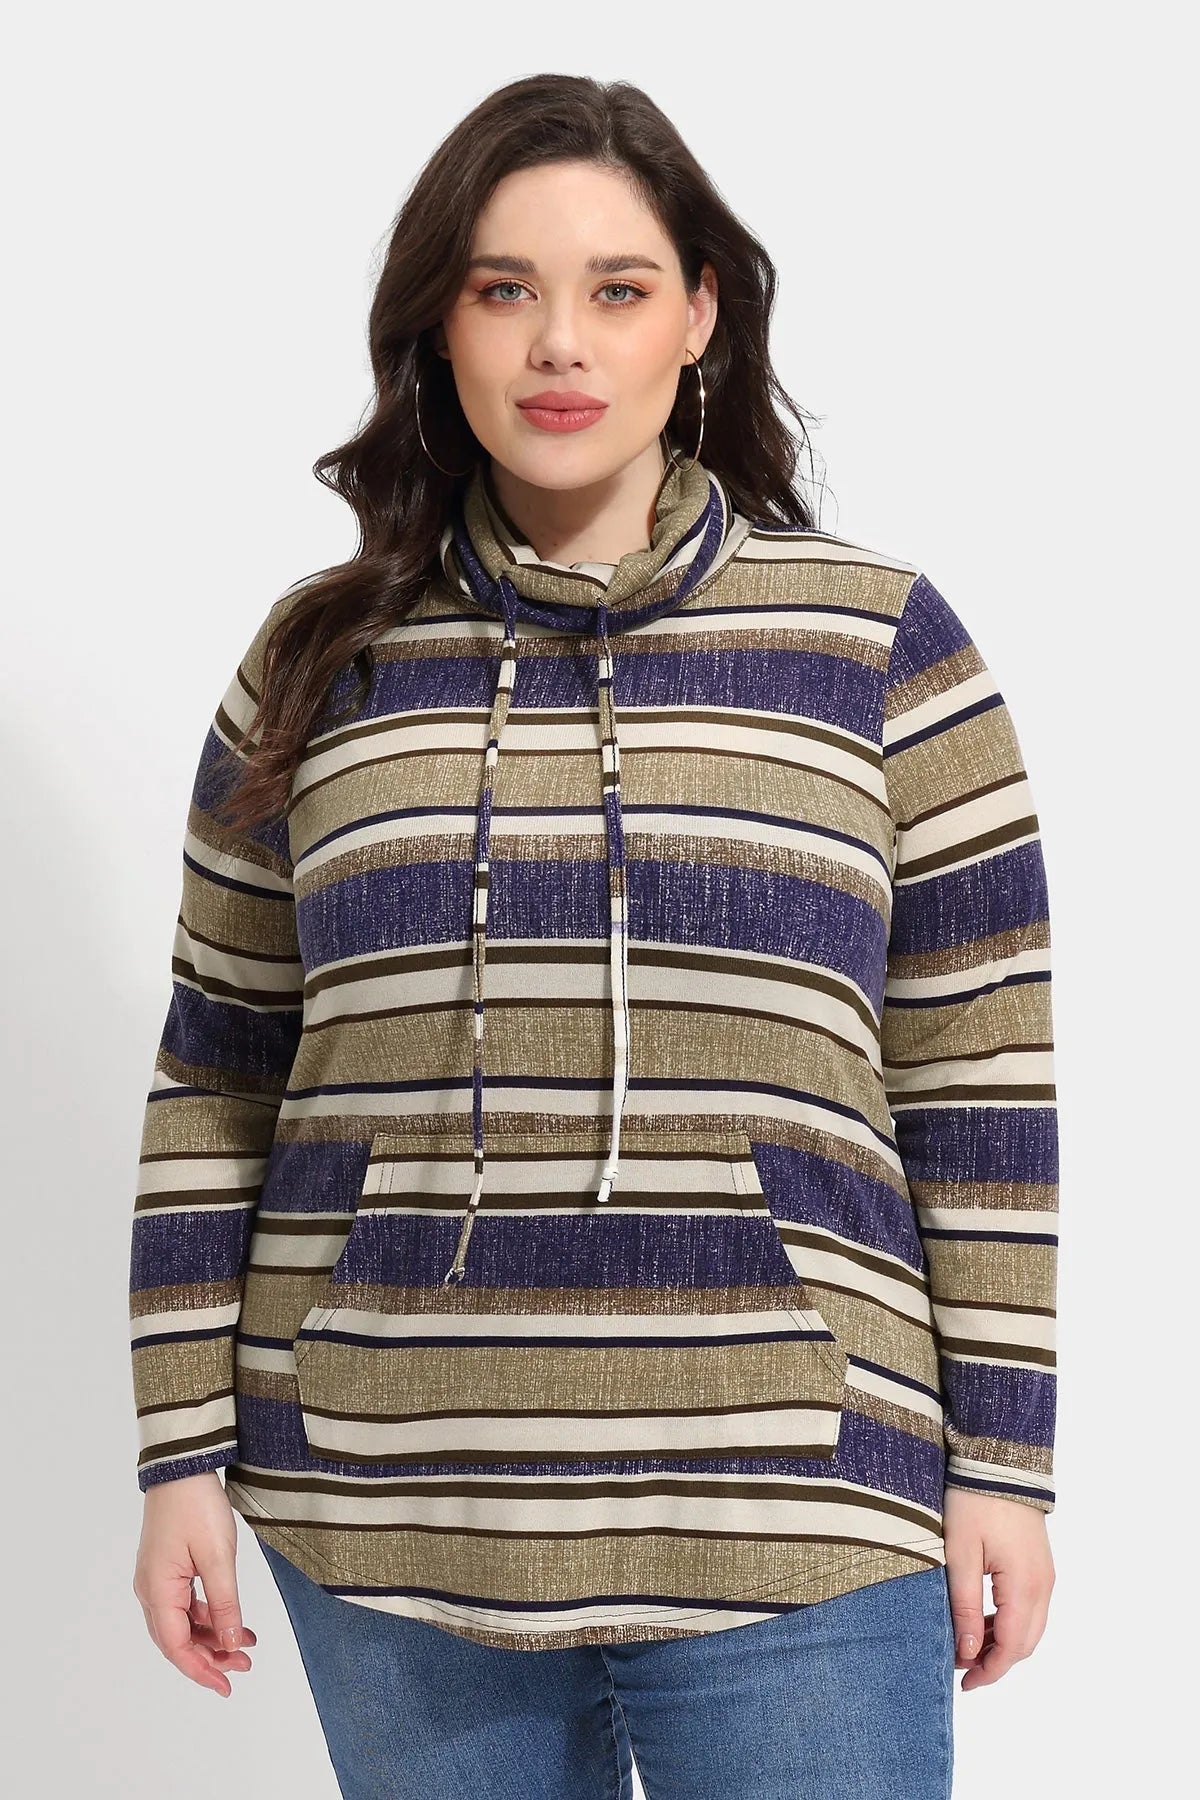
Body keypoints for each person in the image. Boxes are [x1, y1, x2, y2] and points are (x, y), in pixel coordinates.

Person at [129, 73, 1057, 1800]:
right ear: (440, 326)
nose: (559, 341)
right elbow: (219, 1077)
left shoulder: (877, 649)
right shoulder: (318, 667)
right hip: (392, 1509)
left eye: (617, 289)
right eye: (505, 289)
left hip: (798, 1508)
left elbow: (980, 1083)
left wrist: (1006, 1462)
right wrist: (178, 1452)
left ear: (698, 316)